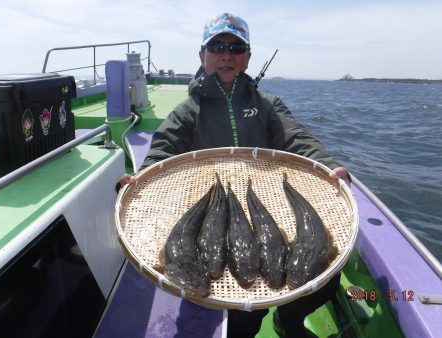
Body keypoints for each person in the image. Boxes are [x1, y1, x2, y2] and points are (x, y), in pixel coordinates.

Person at [120, 12, 350, 338]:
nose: (227, 53)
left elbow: (296, 138)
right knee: (240, 316)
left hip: (268, 197)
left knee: (326, 281)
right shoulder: (188, 111)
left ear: (247, 57)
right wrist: (141, 175)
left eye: (236, 47)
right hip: (207, 199)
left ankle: (288, 318)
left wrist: (326, 163)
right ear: (202, 56)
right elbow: (163, 149)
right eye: (217, 46)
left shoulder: (268, 104)